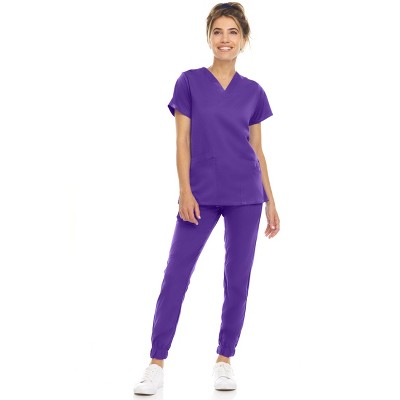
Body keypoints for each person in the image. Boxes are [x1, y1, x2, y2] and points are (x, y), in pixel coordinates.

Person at [134, 2, 280, 395]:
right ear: (209, 37)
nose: (225, 39)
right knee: (176, 275)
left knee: (238, 279)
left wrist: (271, 200)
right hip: (199, 195)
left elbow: (257, 150)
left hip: (246, 195)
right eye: (218, 31)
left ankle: (224, 359)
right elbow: (182, 140)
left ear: (243, 39)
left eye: (233, 32)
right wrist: (185, 190)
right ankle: (156, 362)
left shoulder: (254, 92)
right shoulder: (189, 82)